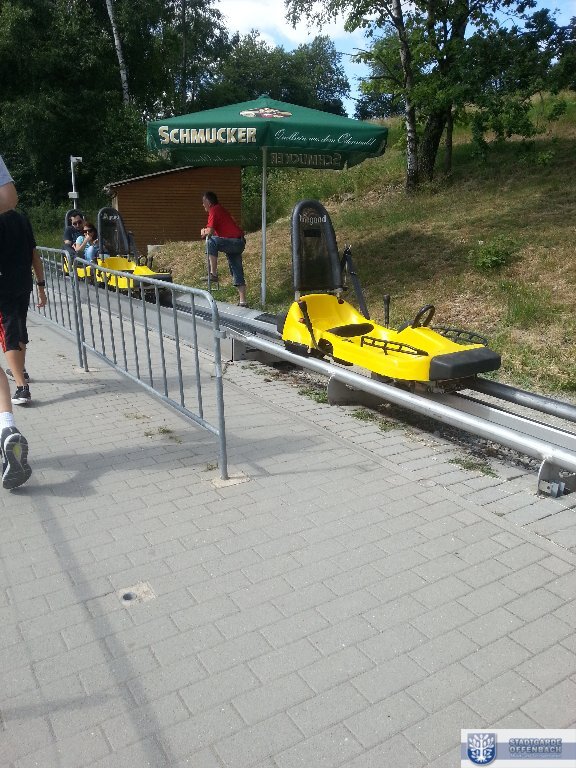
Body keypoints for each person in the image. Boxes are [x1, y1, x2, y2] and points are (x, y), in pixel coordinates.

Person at [0, 174, 45, 488]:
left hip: (3, 285)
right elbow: (34, 253)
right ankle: (7, 424)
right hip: (21, 282)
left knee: (10, 335)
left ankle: (21, 385)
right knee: (18, 330)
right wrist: (41, 284)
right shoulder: (21, 219)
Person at [200, 191, 248, 307]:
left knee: (211, 242)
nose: (203, 205)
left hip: (234, 242)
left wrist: (203, 231)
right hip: (237, 241)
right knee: (236, 269)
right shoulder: (220, 210)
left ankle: (213, 273)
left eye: (203, 202)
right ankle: (243, 301)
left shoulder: (214, 210)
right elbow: (213, 230)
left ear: (208, 202)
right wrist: (206, 231)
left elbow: (209, 232)